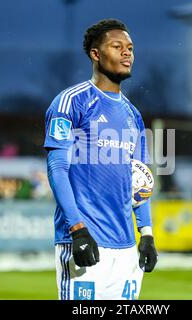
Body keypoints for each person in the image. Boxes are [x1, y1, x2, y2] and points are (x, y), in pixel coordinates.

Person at [44, 19, 157, 300]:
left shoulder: (133, 116)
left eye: (130, 48)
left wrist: (147, 233)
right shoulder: (72, 102)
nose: (126, 53)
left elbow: (139, 181)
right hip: (87, 240)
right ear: (96, 54)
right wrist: (77, 229)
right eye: (117, 46)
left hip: (127, 249)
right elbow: (57, 168)